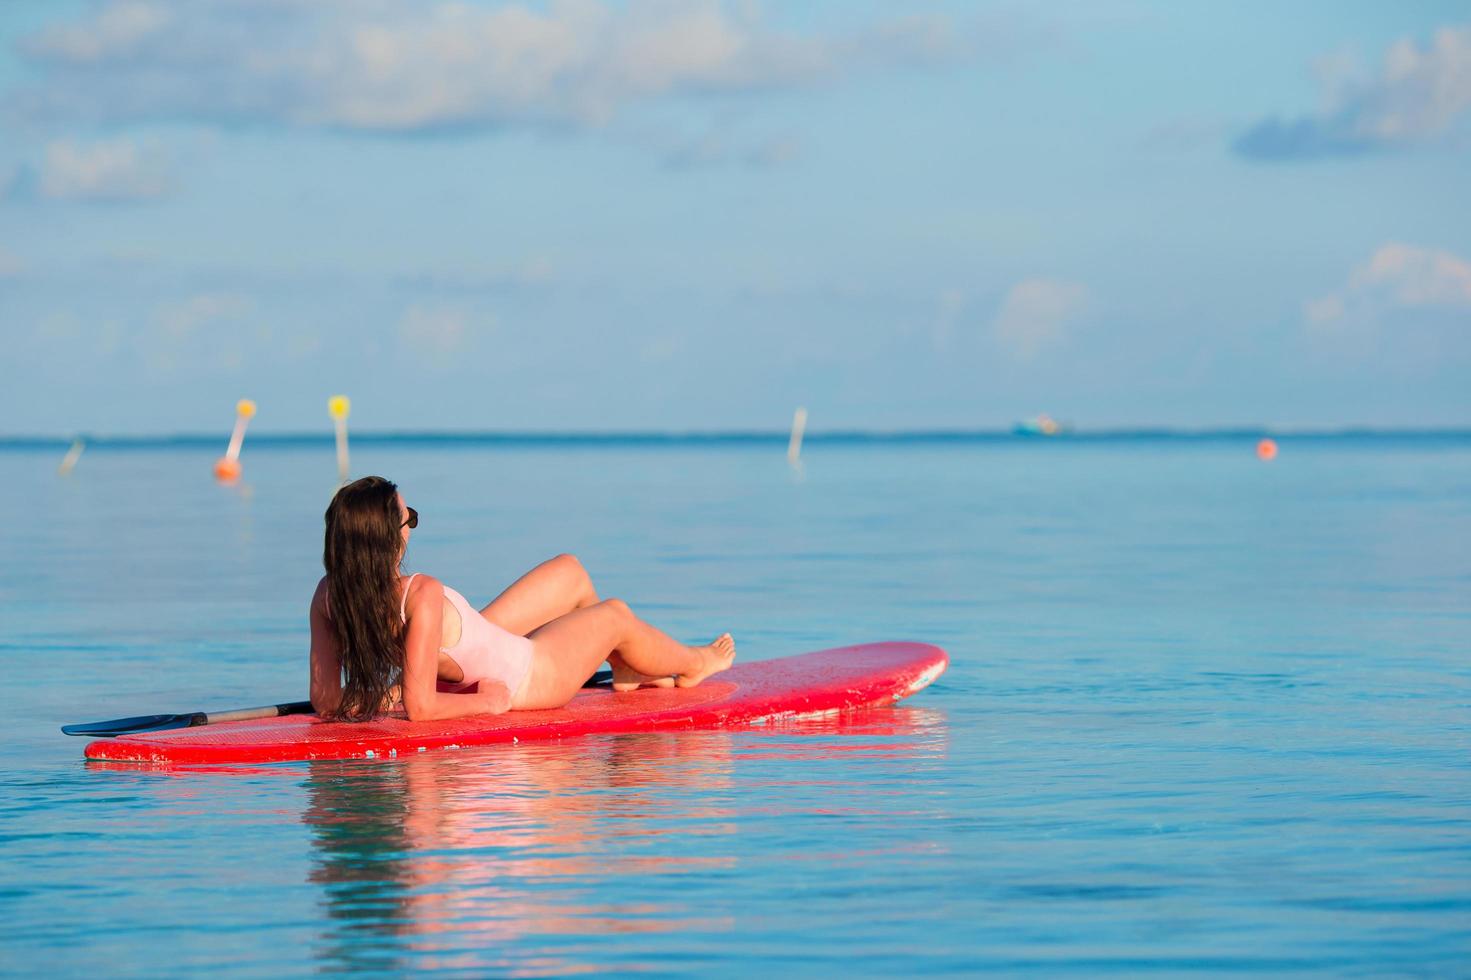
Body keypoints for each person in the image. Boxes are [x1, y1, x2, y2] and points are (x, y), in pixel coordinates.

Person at [309, 476, 736, 721]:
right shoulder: (420, 593)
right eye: (409, 520)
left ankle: (626, 665)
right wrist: (488, 702)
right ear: (387, 539)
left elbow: (325, 701)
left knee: (570, 570)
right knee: (615, 616)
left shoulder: (328, 595)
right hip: (529, 677)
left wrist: (381, 695)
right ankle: (695, 663)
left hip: (481, 646)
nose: (411, 529)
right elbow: (421, 708)